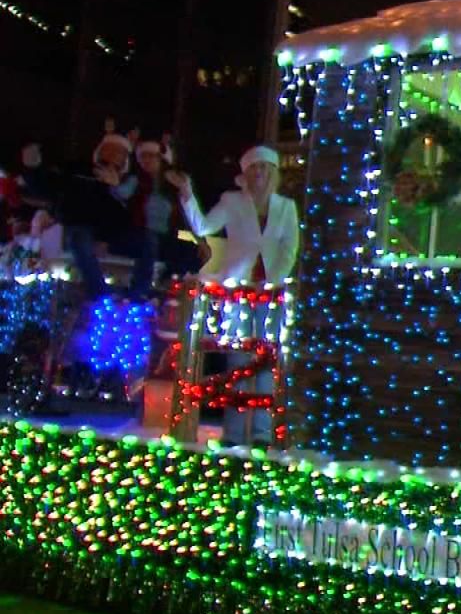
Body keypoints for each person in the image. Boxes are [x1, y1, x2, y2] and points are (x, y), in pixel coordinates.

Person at [168, 145, 300, 445]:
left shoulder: (286, 207)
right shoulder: (232, 201)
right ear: (246, 173)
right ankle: (235, 433)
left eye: (266, 168)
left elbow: (289, 247)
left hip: (271, 292)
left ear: (274, 173)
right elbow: (203, 225)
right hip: (236, 289)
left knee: (267, 360)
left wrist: (272, 281)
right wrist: (187, 192)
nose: (261, 174)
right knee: (238, 358)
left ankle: (263, 434)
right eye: (255, 168)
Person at [62, 134, 155, 300]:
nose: (114, 156)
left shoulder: (130, 182)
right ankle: (100, 294)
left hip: (114, 234)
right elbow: (73, 208)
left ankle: (137, 294)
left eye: (120, 154)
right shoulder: (81, 174)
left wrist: (115, 188)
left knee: (148, 239)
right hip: (84, 229)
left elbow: (128, 216)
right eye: (110, 151)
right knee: (79, 237)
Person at [130, 141, 203, 279]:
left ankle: (168, 285)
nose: (147, 160)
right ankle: (139, 291)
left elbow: (187, 215)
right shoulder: (135, 182)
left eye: (152, 156)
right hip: (138, 234)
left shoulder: (171, 188)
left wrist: (201, 241)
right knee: (149, 241)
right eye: (143, 156)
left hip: (164, 237)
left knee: (193, 252)